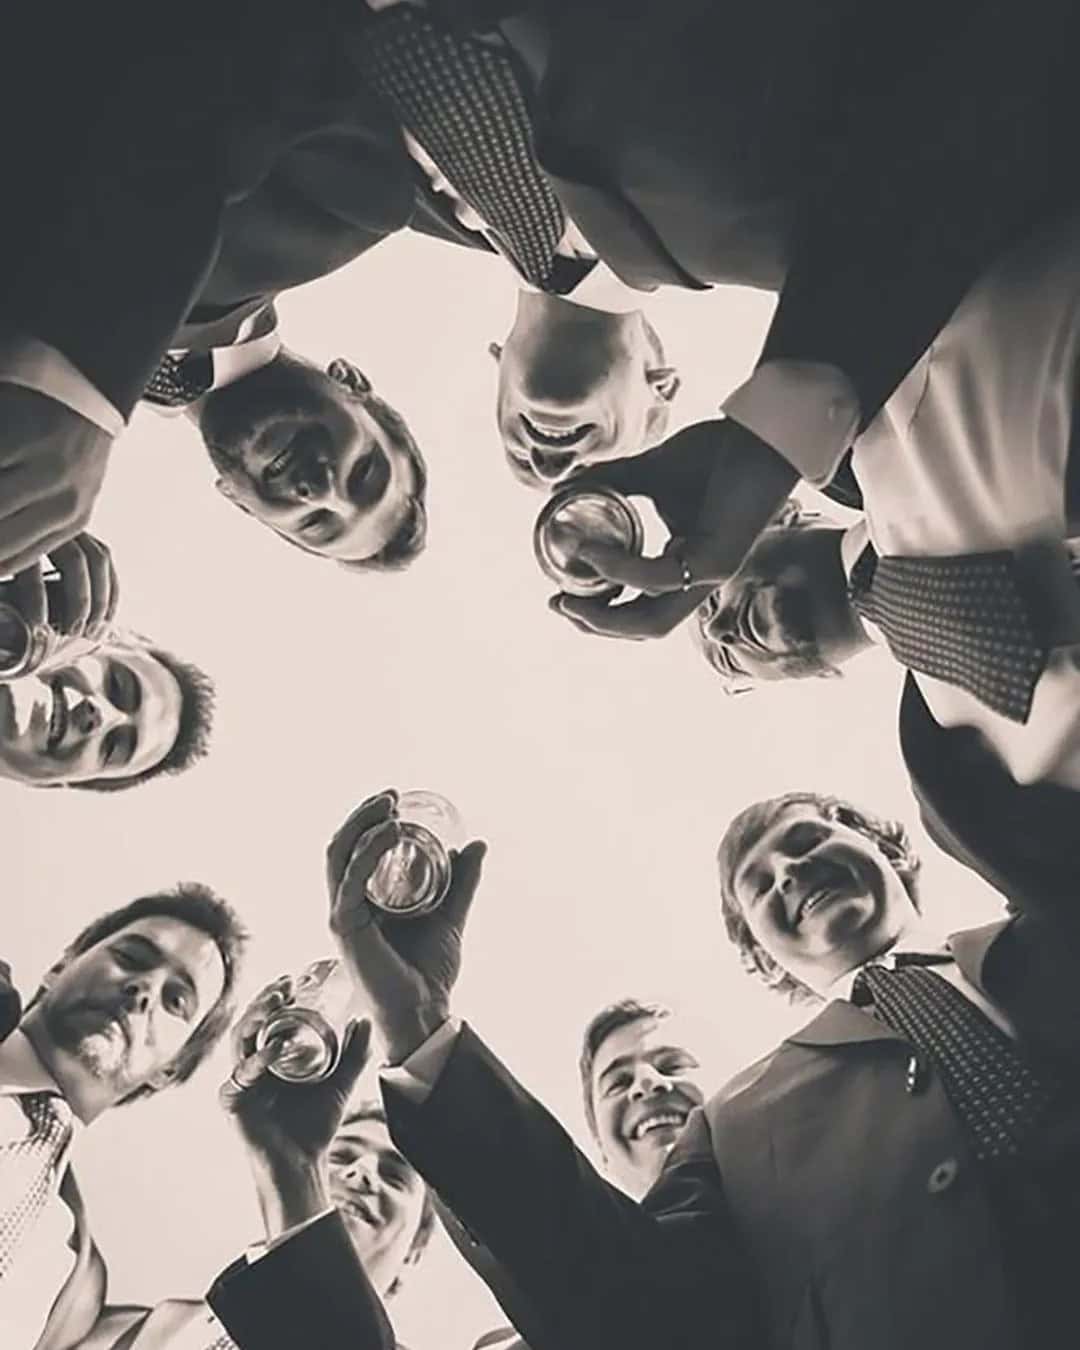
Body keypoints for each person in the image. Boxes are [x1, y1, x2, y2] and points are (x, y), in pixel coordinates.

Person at [5, 0, 1080, 582]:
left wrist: (81, 361)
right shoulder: (802, 237)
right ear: (666, 381)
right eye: (371, 469)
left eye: (316, 518)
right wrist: (780, 432)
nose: (324, 482)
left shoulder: (350, 194)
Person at [324, 789, 1080, 1350]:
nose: (789, 872)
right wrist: (416, 1023)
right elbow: (629, 1299)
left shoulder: (1055, 919)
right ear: (758, 951)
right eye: (759, 885)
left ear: (890, 850)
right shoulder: (733, 1123)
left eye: (807, 839)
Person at [98, 978, 439, 1350]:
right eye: (339, 1156)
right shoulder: (161, 1325)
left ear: (414, 1253)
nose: (362, 1173)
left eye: (394, 1175)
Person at [0, 884, 247, 1349]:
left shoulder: (74, 1279)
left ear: (170, 1068)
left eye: (177, 1000)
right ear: (59, 966)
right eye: (132, 958)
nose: (144, 990)